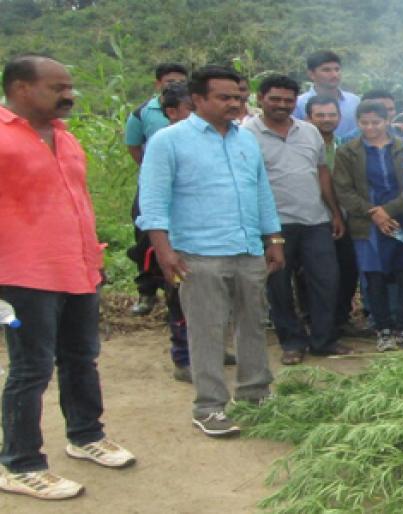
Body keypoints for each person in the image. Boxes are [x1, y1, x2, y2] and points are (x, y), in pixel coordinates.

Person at [0, 54, 136, 501]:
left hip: (77, 268)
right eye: (58, 87)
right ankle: (19, 464)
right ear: (22, 88)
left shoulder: (65, 137)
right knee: (31, 368)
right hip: (21, 274)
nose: (69, 94)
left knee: (81, 357)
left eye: (70, 86)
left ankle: (85, 436)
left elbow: (77, 201)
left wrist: (92, 260)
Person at [137, 65, 284, 437]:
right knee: (207, 329)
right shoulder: (169, 141)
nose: (234, 103)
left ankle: (255, 394)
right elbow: (152, 202)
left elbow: (261, 192)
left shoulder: (246, 139)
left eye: (238, 97)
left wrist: (274, 239)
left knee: (254, 324)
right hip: (198, 253)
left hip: (248, 248)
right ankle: (209, 406)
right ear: (198, 99)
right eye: (224, 97)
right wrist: (164, 251)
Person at [245, 75, 349, 364]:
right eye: (275, 99)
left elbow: (321, 172)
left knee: (326, 280)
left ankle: (323, 339)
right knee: (278, 285)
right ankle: (291, 342)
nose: (281, 105)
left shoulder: (309, 132)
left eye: (288, 100)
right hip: (273, 224)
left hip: (315, 219)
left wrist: (334, 212)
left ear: (296, 102)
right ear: (260, 98)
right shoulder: (246, 134)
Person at [335, 102, 403, 350]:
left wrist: (389, 210)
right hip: (368, 225)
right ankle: (384, 330)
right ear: (357, 123)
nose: (370, 128)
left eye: (376, 122)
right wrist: (373, 213)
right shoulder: (347, 152)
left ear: (388, 121)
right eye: (364, 123)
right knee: (374, 277)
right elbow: (344, 190)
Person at [125, 62, 189, 316]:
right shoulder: (142, 113)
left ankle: (177, 303)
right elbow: (134, 146)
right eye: (169, 81)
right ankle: (147, 292)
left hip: (185, 190)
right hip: (154, 187)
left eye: (180, 80)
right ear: (158, 84)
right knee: (146, 241)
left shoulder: (193, 109)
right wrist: (154, 173)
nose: (174, 85)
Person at [307, 95, 363, 335]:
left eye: (331, 115)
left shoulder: (345, 146)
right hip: (314, 218)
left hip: (346, 216)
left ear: (340, 118)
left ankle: (341, 319)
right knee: (316, 274)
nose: (326, 120)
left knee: (348, 269)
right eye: (320, 115)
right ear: (309, 118)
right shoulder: (304, 145)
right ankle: (313, 321)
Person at [293, 50, 360, 138]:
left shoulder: (354, 101)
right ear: (311, 74)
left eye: (337, 69)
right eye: (326, 70)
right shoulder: (298, 104)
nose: (334, 75)